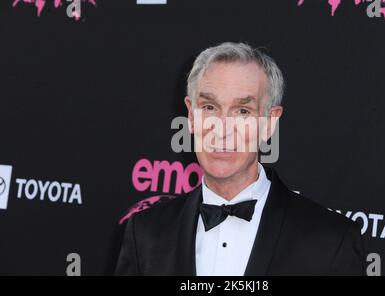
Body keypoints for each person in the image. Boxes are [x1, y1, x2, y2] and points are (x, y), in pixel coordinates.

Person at [115, 42, 365, 276]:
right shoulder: (146, 233)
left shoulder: (331, 241)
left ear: (269, 123)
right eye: (210, 107)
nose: (222, 129)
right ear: (191, 116)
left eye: (242, 111)